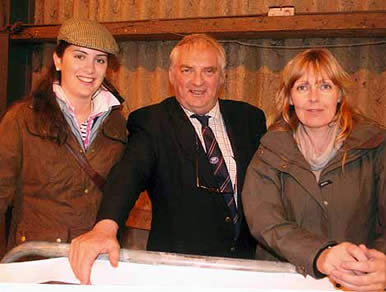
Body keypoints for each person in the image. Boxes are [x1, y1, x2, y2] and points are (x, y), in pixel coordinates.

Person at [69, 33, 266, 284]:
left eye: (208, 71)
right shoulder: (152, 122)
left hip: (244, 272)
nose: (198, 81)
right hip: (178, 274)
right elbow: (128, 175)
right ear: (172, 76)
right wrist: (105, 227)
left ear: (222, 76)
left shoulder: (249, 118)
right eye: (187, 70)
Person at [242, 48, 386, 291]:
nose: (313, 97)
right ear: (290, 98)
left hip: (357, 284)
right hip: (285, 283)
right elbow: (264, 220)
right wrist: (321, 255)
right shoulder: (269, 151)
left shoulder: (381, 146)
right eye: (302, 87)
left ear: (339, 95)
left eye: (325, 86)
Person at [0, 18, 126, 251]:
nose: (90, 69)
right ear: (58, 60)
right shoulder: (21, 119)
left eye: (99, 60)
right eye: (79, 56)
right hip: (36, 261)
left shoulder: (117, 122)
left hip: (95, 262)